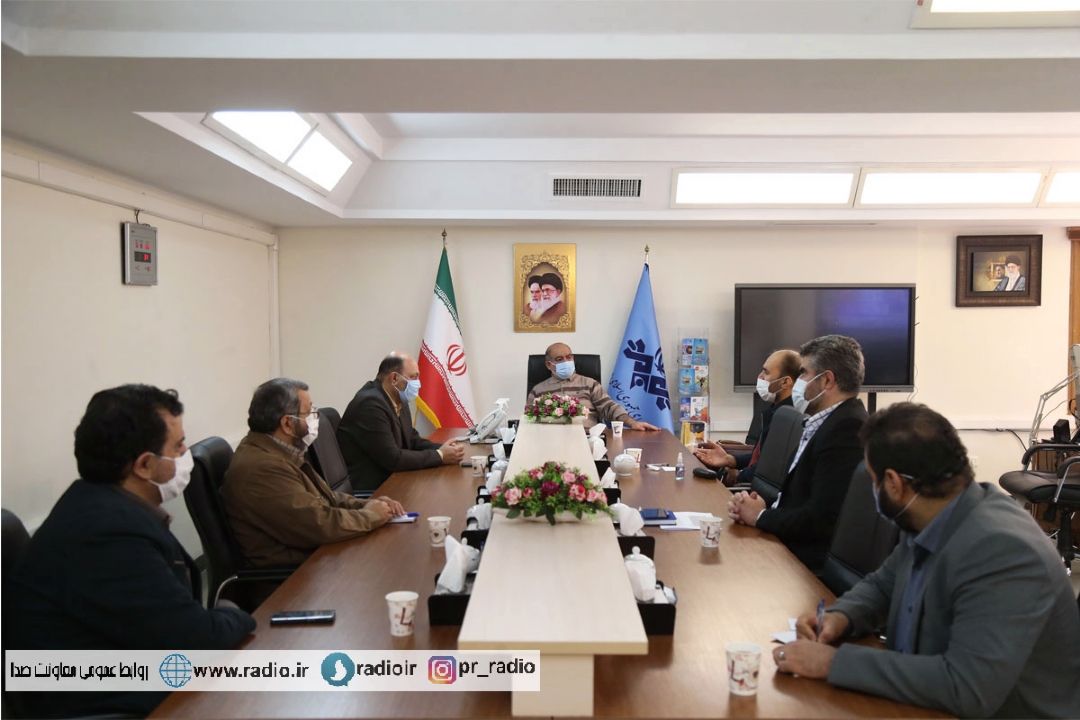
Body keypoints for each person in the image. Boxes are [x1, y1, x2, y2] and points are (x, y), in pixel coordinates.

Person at [775, 403, 1080, 718]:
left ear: (894, 483)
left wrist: (831, 663)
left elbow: (966, 687)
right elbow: (882, 585)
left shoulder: (1003, 549)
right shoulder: (933, 514)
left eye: (873, 480)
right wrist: (841, 616)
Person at [7, 385, 255, 719]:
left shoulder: (99, 506)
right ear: (145, 465)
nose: (186, 454)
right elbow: (195, 640)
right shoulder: (105, 533)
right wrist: (234, 611)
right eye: (178, 446)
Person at [223, 378, 403, 567]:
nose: (315, 418)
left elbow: (326, 498)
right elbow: (319, 525)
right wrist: (371, 516)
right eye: (309, 412)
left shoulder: (281, 451)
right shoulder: (262, 468)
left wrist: (368, 504)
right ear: (287, 423)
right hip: (295, 573)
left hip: (315, 556)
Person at [727, 335, 867, 572]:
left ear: (827, 380)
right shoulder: (823, 421)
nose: (797, 382)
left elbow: (820, 519)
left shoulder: (847, 430)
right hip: (785, 545)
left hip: (802, 565)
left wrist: (760, 516)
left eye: (803, 373)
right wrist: (764, 505)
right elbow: (800, 494)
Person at [337, 353, 466, 493]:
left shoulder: (398, 397)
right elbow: (393, 459)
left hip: (393, 480)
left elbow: (411, 439)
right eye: (413, 377)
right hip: (373, 489)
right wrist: (440, 456)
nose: (418, 383)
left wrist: (444, 449)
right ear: (394, 378)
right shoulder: (370, 404)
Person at [694, 348, 799, 485]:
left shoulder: (788, 419)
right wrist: (730, 460)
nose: (760, 377)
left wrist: (738, 475)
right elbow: (764, 457)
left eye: (766, 372)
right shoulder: (775, 410)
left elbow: (770, 468)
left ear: (785, 382)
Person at [527, 342, 659, 431]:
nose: (566, 361)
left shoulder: (589, 384)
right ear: (548, 365)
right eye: (559, 359)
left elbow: (608, 407)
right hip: (550, 441)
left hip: (587, 439)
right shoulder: (538, 391)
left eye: (569, 357)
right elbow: (529, 420)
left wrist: (632, 423)